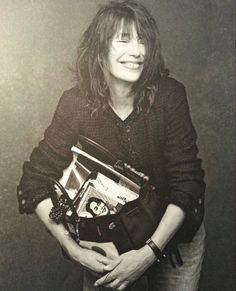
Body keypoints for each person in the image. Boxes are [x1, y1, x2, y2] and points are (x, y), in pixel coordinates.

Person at [17, 0, 206, 290]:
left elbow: (187, 185)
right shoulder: (75, 103)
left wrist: (148, 253)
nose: (138, 51)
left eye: (143, 39)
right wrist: (75, 250)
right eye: (124, 39)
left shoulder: (170, 96)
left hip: (173, 238)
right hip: (109, 241)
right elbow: (34, 181)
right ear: (100, 52)